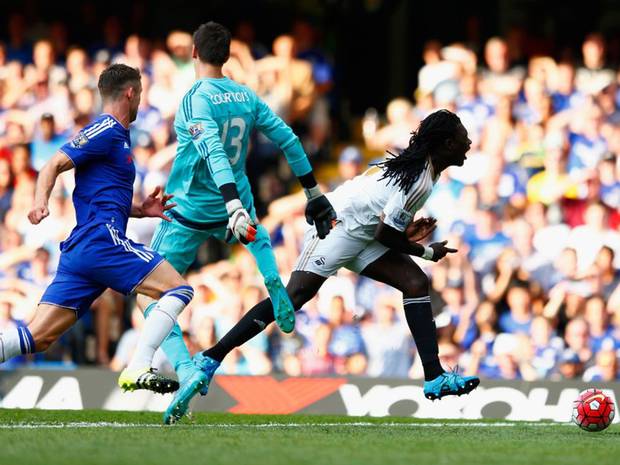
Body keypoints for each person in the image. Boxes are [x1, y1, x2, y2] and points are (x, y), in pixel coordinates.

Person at [165, 109, 480, 423]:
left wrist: (406, 235)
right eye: (463, 137)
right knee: (293, 298)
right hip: (337, 224)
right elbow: (386, 233)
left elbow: (385, 225)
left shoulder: (425, 171)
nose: (468, 142)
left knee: (414, 283)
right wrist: (425, 251)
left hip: (362, 230)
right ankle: (209, 359)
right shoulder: (418, 177)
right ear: (447, 143)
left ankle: (434, 376)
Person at [142, 22, 335, 422]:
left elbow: (212, 150)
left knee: (148, 293)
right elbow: (288, 140)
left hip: (191, 208)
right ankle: (271, 276)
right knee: (256, 235)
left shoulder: (195, 98)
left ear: (193, 52)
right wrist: (314, 192)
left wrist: (230, 203)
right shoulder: (246, 95)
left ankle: (187, 368)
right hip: (239, 204)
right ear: (227, 56)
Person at [0, 64, 193, 395]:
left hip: (85, 250)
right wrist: (40, 202)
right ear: (130, 93)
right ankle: (139, 364)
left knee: (38, 337)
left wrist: (140, 210)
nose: (140, 102)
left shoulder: (118, 138)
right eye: (140, 95)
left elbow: (102, 196)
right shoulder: (105, 129)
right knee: (178, 290)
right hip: (101, 241)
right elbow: (52, 164)